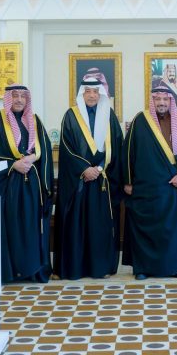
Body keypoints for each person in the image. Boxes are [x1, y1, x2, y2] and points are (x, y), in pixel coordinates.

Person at [121, 86, 177, 279]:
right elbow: (128, 152)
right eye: (158, 99)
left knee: (174, 230)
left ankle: (175, 267)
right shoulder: (140, 120)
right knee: (146, 230)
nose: (161, 102)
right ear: (152, 101)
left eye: (165, 99)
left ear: (171, 101)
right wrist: (128, 182)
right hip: (147, 189)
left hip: (174, 186)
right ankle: (143, 268)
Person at [0, 84, 53, 283]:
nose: (19, 100)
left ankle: (34, 271)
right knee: (12, 227)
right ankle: (12, 272)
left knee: (32, 226)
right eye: (15, 96)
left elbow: (44, 149)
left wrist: (32, 158)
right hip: (9, 186)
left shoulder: (35, 121)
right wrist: (13, 164)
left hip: (32, 186)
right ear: (7, 98)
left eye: (23, 96)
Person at [54, 76, 123, 279]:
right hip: (79, 182)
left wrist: (99, 168)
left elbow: (116, 146)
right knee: (76, 225)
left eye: (95, 92)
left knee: (98, 226)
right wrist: (85, 169)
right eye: (88, 92)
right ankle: (75, 268)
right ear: (81, 94)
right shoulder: (71, 115)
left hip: (102, 180)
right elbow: (66, 147)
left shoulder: (109, 115)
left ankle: (100, 268)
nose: (92, 95)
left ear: (101, 94)